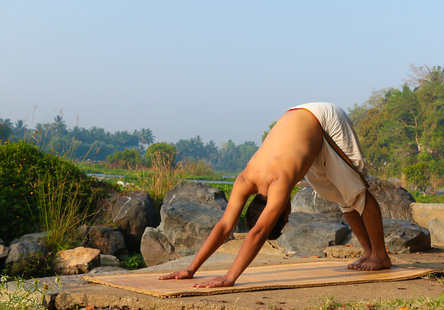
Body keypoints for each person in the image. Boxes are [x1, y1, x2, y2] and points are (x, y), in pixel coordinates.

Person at [158, 102, 391, 289]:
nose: (289, 213)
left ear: (281, 211)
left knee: (355, 190)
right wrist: (191, 269)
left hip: (324, 118)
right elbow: (224, 226)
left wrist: (229, 278)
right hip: (300, 120)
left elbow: (259, 233)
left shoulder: (279, 183)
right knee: (341, 195)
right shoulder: (244, 180)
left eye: (286, 217)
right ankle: (368, 252)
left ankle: (380, 255)